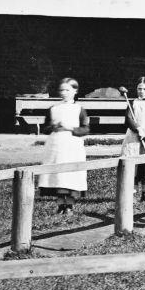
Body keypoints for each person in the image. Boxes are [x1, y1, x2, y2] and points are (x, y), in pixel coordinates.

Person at [36, 76, 90, 218]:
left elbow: (85, 129)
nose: (64, 93)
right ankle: (60, 205)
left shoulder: (79, 109)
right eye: (62, 90)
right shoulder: (54, 108)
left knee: (70, 174)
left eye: (67, 90)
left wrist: (71, 128)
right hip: (56, 146)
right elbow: (45, 128)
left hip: (72, 146)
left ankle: (70, 205)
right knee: (57, 174)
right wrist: (53, 126)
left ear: (75, 91)